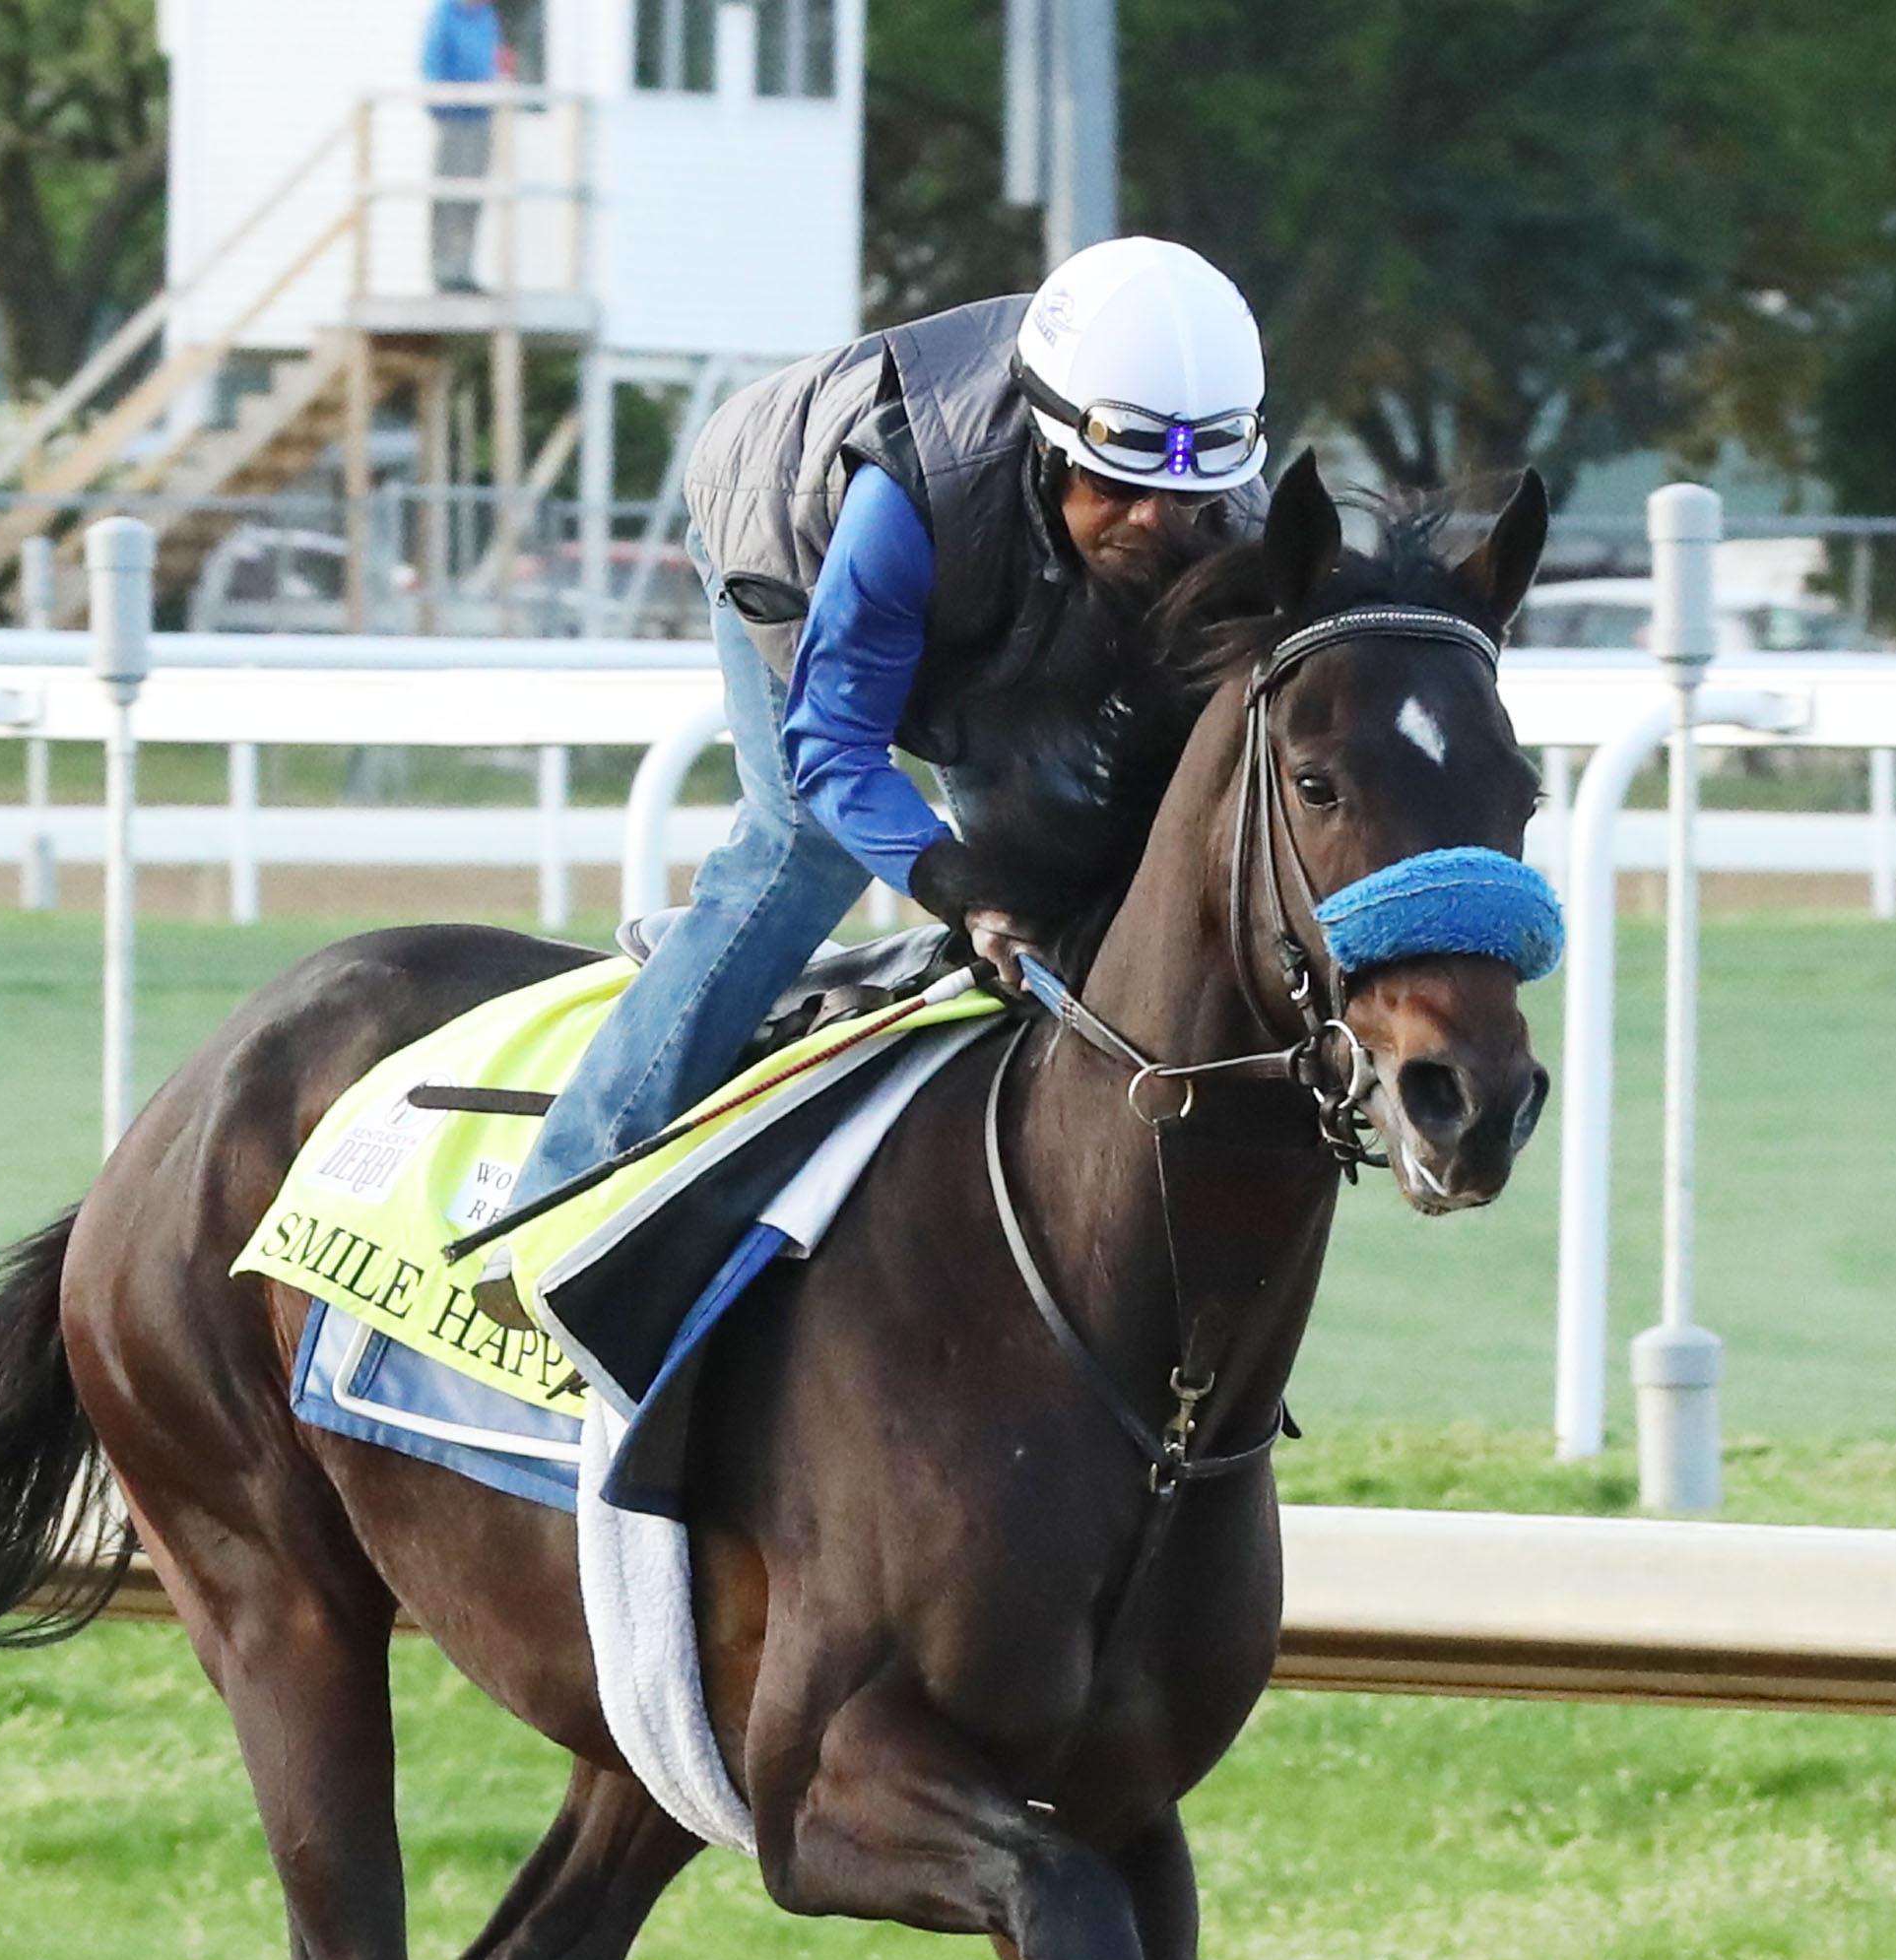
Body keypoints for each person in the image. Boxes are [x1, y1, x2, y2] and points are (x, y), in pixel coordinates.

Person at [483, 237, 1270, 1321]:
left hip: (998, 574)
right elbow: (835, 748)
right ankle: (551, 1213)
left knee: (1068, 869)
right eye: (1119, 486)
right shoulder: (903, 496)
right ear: (1054, 445)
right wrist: (960, 886)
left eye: (1183, 500)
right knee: (800, 855)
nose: (1152, 521)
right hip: (788, 528)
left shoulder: (1218, 506)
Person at [424, 0, 507, 294]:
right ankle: (444, 271)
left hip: (480, 118)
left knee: (472, 198)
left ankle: (464, 269)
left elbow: (492, 61)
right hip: (452, 118)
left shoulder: (487, 17)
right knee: (448, 196)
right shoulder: (445, 14)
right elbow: (433, 64)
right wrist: (442, 105)